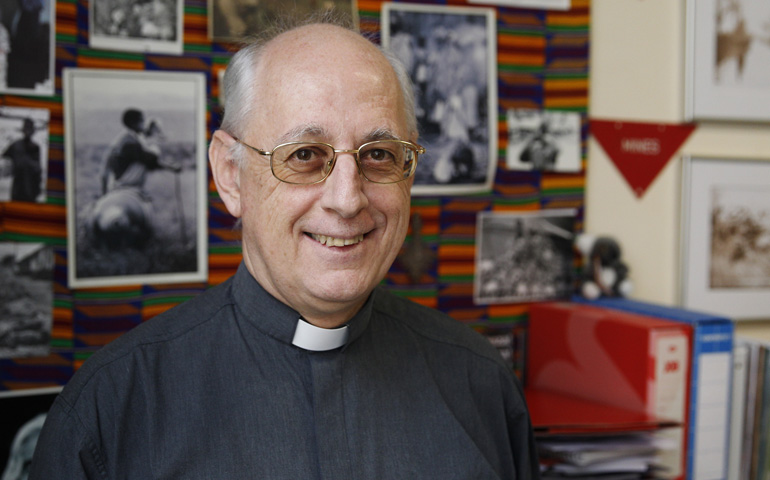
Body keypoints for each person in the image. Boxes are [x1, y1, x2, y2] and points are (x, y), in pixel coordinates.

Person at [30, 14, 540, 479]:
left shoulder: (481, 385)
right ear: (231, 175)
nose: (347, 199)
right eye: (304, 155)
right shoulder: (113, 408)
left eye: (379, 154)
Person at [87, 107, 176, 249]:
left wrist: (170, 167)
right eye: (142, 120)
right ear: (134, 123)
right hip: (126, 186)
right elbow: (149, 159)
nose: (144, 123)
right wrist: (155, 144)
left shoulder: (131, 139)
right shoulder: (130, 142)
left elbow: (146, 161)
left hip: (126, 186)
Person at [1, 118, 42, 202]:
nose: (27, 132)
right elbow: (4, 157)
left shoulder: (35, 147)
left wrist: (37, 188)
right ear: (23, 130)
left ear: (32, 132)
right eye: (26, 129)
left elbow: (38, 170)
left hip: (30, 189)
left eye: (29, 129)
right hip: (18, 187)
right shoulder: (15, 145)